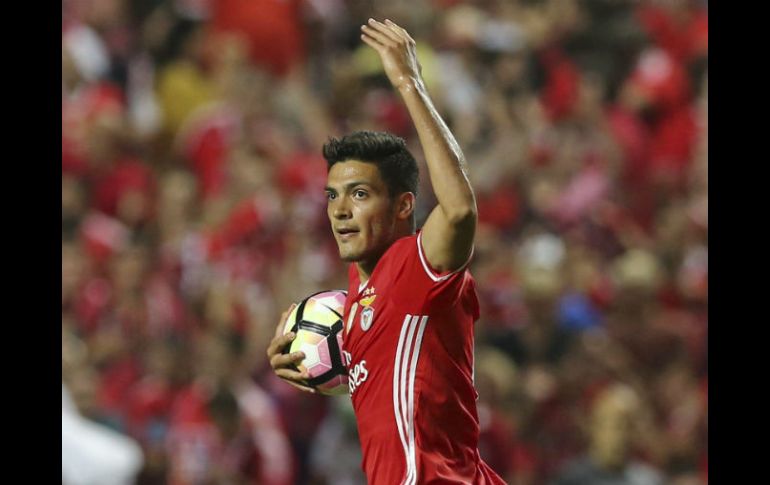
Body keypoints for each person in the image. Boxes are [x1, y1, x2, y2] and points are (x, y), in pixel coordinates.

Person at [266, 18, 506, 484]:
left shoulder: (416, 265)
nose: (340, 211)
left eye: (359, 194)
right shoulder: (361, 292)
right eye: (332, 196)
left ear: (403, 205)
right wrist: (300, 358)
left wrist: (410, 85)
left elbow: (459, 211)